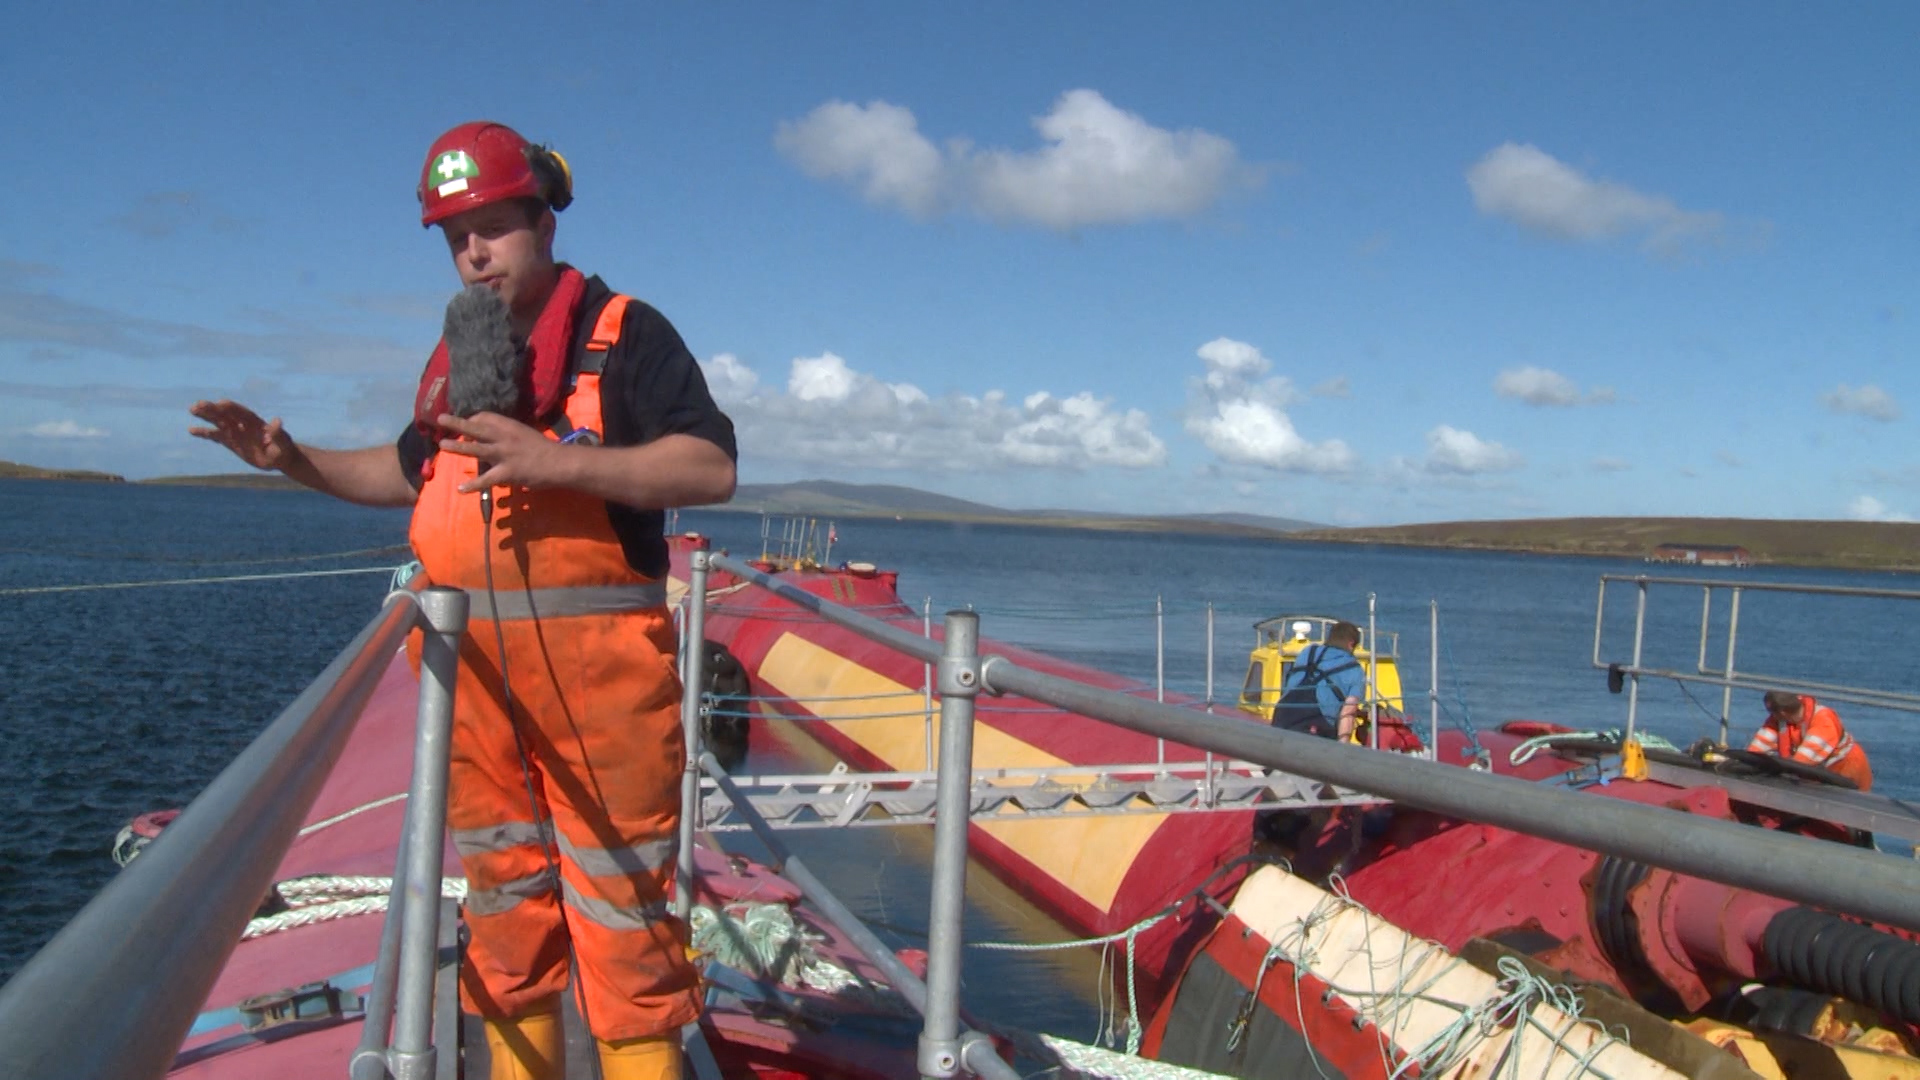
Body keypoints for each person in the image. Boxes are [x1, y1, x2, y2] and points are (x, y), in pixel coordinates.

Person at [189, 121, 736, 1080]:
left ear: (545, 222)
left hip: (602, 704)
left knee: (628, 933)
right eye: (455, 235)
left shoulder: (627, 334)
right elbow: (404, 473)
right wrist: (290, 461)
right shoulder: (455, 363)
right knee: (504, 925)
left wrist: (555, 462)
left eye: (492, 226)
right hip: (478, 700)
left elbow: (711, 464)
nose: (474, 252)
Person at [1747, 690, 1873, 791]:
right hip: (1821, 771)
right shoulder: (1779, 720)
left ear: (1782, 712)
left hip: (1846, 767)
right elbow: (1758, 747)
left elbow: (1802, 762)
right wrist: (1747, 762)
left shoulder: (1824, 721)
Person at [1270, 621, 1367, 741]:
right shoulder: (1355, 670)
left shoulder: (1308, 651)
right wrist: (1343, 749)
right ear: (1351, 644)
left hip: (1282, 715)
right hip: (1315, 725)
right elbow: (1349, 711)